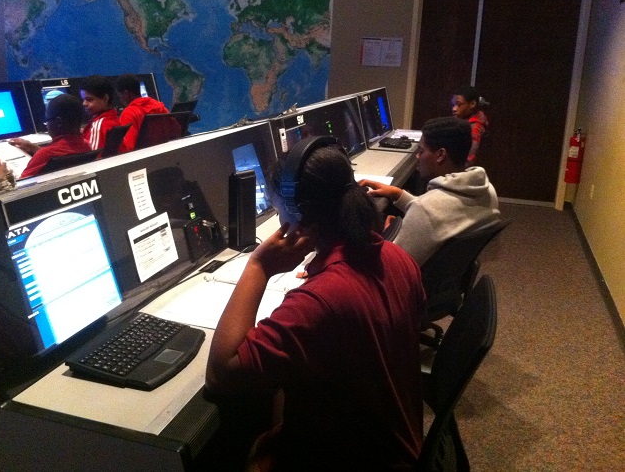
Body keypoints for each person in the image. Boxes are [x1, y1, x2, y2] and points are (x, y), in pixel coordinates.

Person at [206, 137, 426, 470]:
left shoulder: (320, 301)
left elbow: (222, 373)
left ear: (297, 215)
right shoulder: (398, 257)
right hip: (396, 442)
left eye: (279, 210)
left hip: (357, 458)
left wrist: (259, 266)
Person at [359, 117, 500, 266]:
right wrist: (398, 193)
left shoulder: (425, 209)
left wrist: (388, 234)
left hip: (412, 277)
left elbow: (391, 266)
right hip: (448, 273)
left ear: (440, 155)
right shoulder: (487, 192)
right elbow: (445, 213)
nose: (417, 156)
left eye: (421, 151)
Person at [4, 94, 92, 179]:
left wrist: (2, 174)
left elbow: (22, 185)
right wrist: (34, 148)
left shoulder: (45, 155)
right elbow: (61, 154)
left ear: (58, 122)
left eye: (47, 121)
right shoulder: (86, 145)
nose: (46, 125)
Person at [115, 73, 169, 152]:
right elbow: (177, 131)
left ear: (126, 94)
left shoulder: (128, 114)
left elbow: (128, 149)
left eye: (120, 97)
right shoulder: (159, 105)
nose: (121, 101)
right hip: (167, 153)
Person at [79, 75, 121, 150]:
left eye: (89, 99)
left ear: (105, 99)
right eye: (83, 100)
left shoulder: (98, 127)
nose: (84, 103)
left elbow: (93, 156)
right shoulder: (113, 118)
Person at [451, 85, 489, 165]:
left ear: (472, 104)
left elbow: (470, 160)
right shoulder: (468, 122)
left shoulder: (474, 127)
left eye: (459, 104)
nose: (454, 109)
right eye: (453, 105)